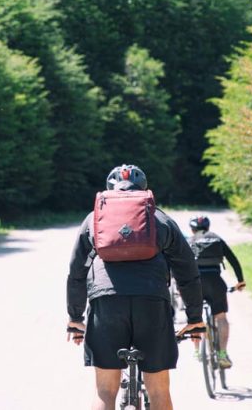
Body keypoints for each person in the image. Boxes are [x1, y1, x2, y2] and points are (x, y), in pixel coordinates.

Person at [66, 164, 205, 410]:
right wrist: (194, 318)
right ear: (144, 190)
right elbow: (187, 271)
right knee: (160, 391)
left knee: (105, 391)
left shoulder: (94, 219)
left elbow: (77, 272)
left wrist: (75, 318)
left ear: (109, 189)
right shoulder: (160, 218)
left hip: (106, 302)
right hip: (152, 303)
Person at [187, 215, 246, 369]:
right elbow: (233, 260)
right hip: (215, 282)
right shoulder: (217, 239)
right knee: (221, 318)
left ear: (192, 229)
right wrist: (240, 281)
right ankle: (222, 354)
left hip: (195, 284)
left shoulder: (189, 241)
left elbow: (179, 264)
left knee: (194, 318)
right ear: (208, 227)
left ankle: (197, 352)